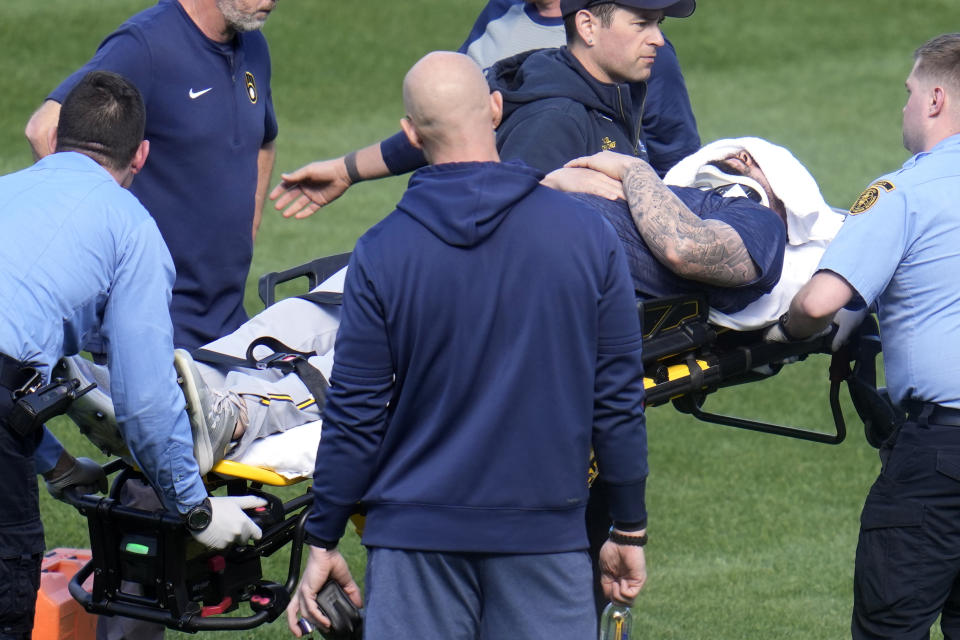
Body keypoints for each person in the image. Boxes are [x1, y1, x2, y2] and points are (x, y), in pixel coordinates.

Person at [284, 51, 648, 640]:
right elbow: (617, 398)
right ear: (497, 110)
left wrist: (323, 534)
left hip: (411, 546)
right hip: (545, 542)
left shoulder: (381, 252)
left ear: (410, 133)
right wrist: (628, 526)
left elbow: (354, 414)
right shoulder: (587, 237)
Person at [0, 71, 264, 640]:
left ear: (59, 137)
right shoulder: (131, 229)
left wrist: (56, 462)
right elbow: (145, 404)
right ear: (140, 156)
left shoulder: (5, 190)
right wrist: (195, 510)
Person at [767, 33, 960, 639]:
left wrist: (785, 328)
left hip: (940, 460)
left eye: (908, 93)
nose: (902, 106)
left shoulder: (902, 193)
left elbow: (821, 302)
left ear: (934, 100)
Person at [269, 0, 699, 219]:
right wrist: (348, 170)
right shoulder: (499, 18)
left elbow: (677, 166)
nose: (655, 36)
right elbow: (447, 120)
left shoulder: (634, 47)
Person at [24, 0, 279, 351]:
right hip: (150, 321)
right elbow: (44, 128)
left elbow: (264, 140)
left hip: (226, 315)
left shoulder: (253, 46)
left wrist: (247, 227)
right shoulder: (145, 46)